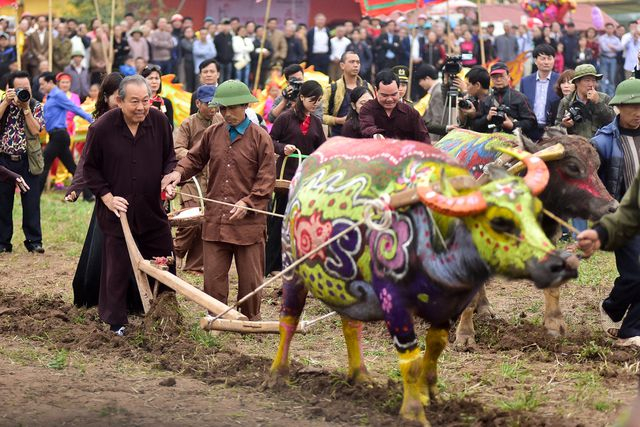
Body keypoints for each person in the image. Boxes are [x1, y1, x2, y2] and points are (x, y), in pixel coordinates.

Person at [161, 80, 276, 321]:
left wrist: (248, 202)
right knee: (212, 278)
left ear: (245, 105)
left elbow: (266, 180)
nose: (226, 113)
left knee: (251, 280)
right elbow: (194, 159)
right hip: (216, 219)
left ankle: (249, 320)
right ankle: (217, 317)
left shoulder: (260, 138)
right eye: (222, 109)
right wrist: (177, 173)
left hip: (249, 224)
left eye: (232, 108)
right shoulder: (213, 133)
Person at [83, 74, 177, 335]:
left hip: (151, 207)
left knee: (164, 259)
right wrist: (107, 197)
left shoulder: (159, 122)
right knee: (118, 264)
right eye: (134, 101)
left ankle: (166, 313)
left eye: (146, 101)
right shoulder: (101, 128)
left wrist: (168, 180)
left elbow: (170, 159)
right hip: (118, 212)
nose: (141, 107)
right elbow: (89, 170)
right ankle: (116, 321)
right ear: (120, 101)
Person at [64, 73, 139, 310]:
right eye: (117, 97)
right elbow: (87, 161)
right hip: (108, 195)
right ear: (106, 98)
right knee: (104, 246)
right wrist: (76, 187)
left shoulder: (139, 120)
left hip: (136, 194)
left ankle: (134, 299)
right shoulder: (101, 125)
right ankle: (99, 296)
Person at [578, 79, 640, 347]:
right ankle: (612, 307)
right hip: (620, 216)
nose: (638, 113)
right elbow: (590, 183)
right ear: (619, 108)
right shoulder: (602, 142)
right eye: (633, 107)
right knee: (635, 274)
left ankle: (629, 331)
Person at [266, 80, 325, 275]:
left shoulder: (316, 122)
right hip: (286, 175)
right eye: (312, 100)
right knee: (280, 218)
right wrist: (284, 148)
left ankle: (296, 264)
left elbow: (321, 149)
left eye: (318, 101)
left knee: (301, 221)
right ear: (301, 97)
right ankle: (271, 264)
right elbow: (271, 141)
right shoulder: (285, 118)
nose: (315, 104)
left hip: (305, 178)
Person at [172, 85, 224, 273]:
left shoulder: (220, 120)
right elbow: (178, 150)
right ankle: (176, 252)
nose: (213, 108)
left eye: (215, 104)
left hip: (213, 179)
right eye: (209, 103)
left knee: (206, 220)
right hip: (191, 178)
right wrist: (198, 157)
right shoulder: (188, 123)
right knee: (190, 217)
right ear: (198, 103)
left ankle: (195, 265)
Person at [0, 71, 45, 254]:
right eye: (19, 89)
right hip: (4, 160)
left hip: (28, 160)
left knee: (31, 201)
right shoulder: (3, 103)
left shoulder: (35, 105)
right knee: (2, 202)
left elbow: (36, 131)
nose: (23, 92)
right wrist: (5, 102)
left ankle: (34, 241)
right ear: (8, 89)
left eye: (27, 88)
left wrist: (25, 108)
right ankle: (3, 242)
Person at [38, 71, 93, 193]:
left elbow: (74, 108)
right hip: (55, 136)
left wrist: (92, 119)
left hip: (59, 136)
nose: (40, 87)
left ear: (50, 82)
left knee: (44, 163)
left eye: (42, 84)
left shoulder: (58, 95)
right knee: (72, 167)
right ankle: (89, 194)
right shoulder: (50, 96)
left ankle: (35, 194)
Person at [359, 69, 430, 143]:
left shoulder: (410, 112)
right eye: (384, 95)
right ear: (376, 91)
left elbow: (424, 137)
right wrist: (376, 134)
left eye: (394, 94)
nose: (389, 99)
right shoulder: (368, 109)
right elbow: (367, 127)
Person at [471, 62, 537, 139]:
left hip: (514, 144)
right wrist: (487, 118)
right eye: (495, 77)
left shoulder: (520, 98)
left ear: (508, 77)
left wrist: (513, 125)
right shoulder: (486, 100)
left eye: (501, 76)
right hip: (490, 142)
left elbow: (531, 123)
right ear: (491, 79)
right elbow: (475, 126)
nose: (498, 80)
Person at [555, 64, 615, 140]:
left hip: (599, 146)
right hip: (576, 146)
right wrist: (564, 125)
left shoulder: (604, 98)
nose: (591, 84)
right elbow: (556, 129)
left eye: (593, 80)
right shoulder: (566, 102)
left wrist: (598, 102)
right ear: (577, 82)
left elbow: (612, 122)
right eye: (587, 80)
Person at [323, 51, 374, 137]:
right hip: (338, 137)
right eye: (351, 62)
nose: (355, 65)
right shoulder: (332, 89)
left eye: (358, 62)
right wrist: (338, 120)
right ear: (342, 65)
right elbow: (321, 116)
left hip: (363, 136)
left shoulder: (367, 87)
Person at [520, 44, 560, 141]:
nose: (546, 62)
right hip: (530, 130)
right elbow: (522, 106)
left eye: (549, 58)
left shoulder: (560, 80)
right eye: (543, 58)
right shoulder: (525, 81)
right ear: (535, 61)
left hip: (552, 130)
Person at [415, 64, 447, 141]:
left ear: (427, 78)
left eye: (420, 81)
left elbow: (437, 118)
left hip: (435, 137)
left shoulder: (437, 92)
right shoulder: (438, 89)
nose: (419, 84)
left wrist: (433, 140)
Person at [140, 64, 174, 128]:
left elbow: (171, 127)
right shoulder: (139, 102)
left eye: (157, 78)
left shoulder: (166, 102)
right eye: (150, 78)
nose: (154, 81)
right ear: (143, 81)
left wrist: (160, 117)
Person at [598, 23, 623, 96]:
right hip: (604, 58)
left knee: (612, 78)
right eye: (608, 28)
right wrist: (614, 48)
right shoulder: (602, 38)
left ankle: (611, 96)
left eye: (611, 28)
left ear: (613, 29)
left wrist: (611, 46)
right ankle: (603, 95)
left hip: (613, 60)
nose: (609, 30)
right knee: (603, 78)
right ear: (605, 29)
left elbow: (620, 48)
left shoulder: (616, 38)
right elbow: (604, 48)